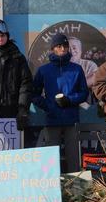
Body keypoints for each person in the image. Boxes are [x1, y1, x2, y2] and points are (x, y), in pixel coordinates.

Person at [32, 33, 88, 172]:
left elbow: (84, 93)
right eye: (59, 46)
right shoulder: (44, 70)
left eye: (65, 46)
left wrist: (69, 100)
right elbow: (33, 94)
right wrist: (48, 106)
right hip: (52, 120)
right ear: (53, 49)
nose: (63, 48)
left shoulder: (76, 69)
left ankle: (76, 190)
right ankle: (52, 190)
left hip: (72, 120)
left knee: (74, 159)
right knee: (51, 160)